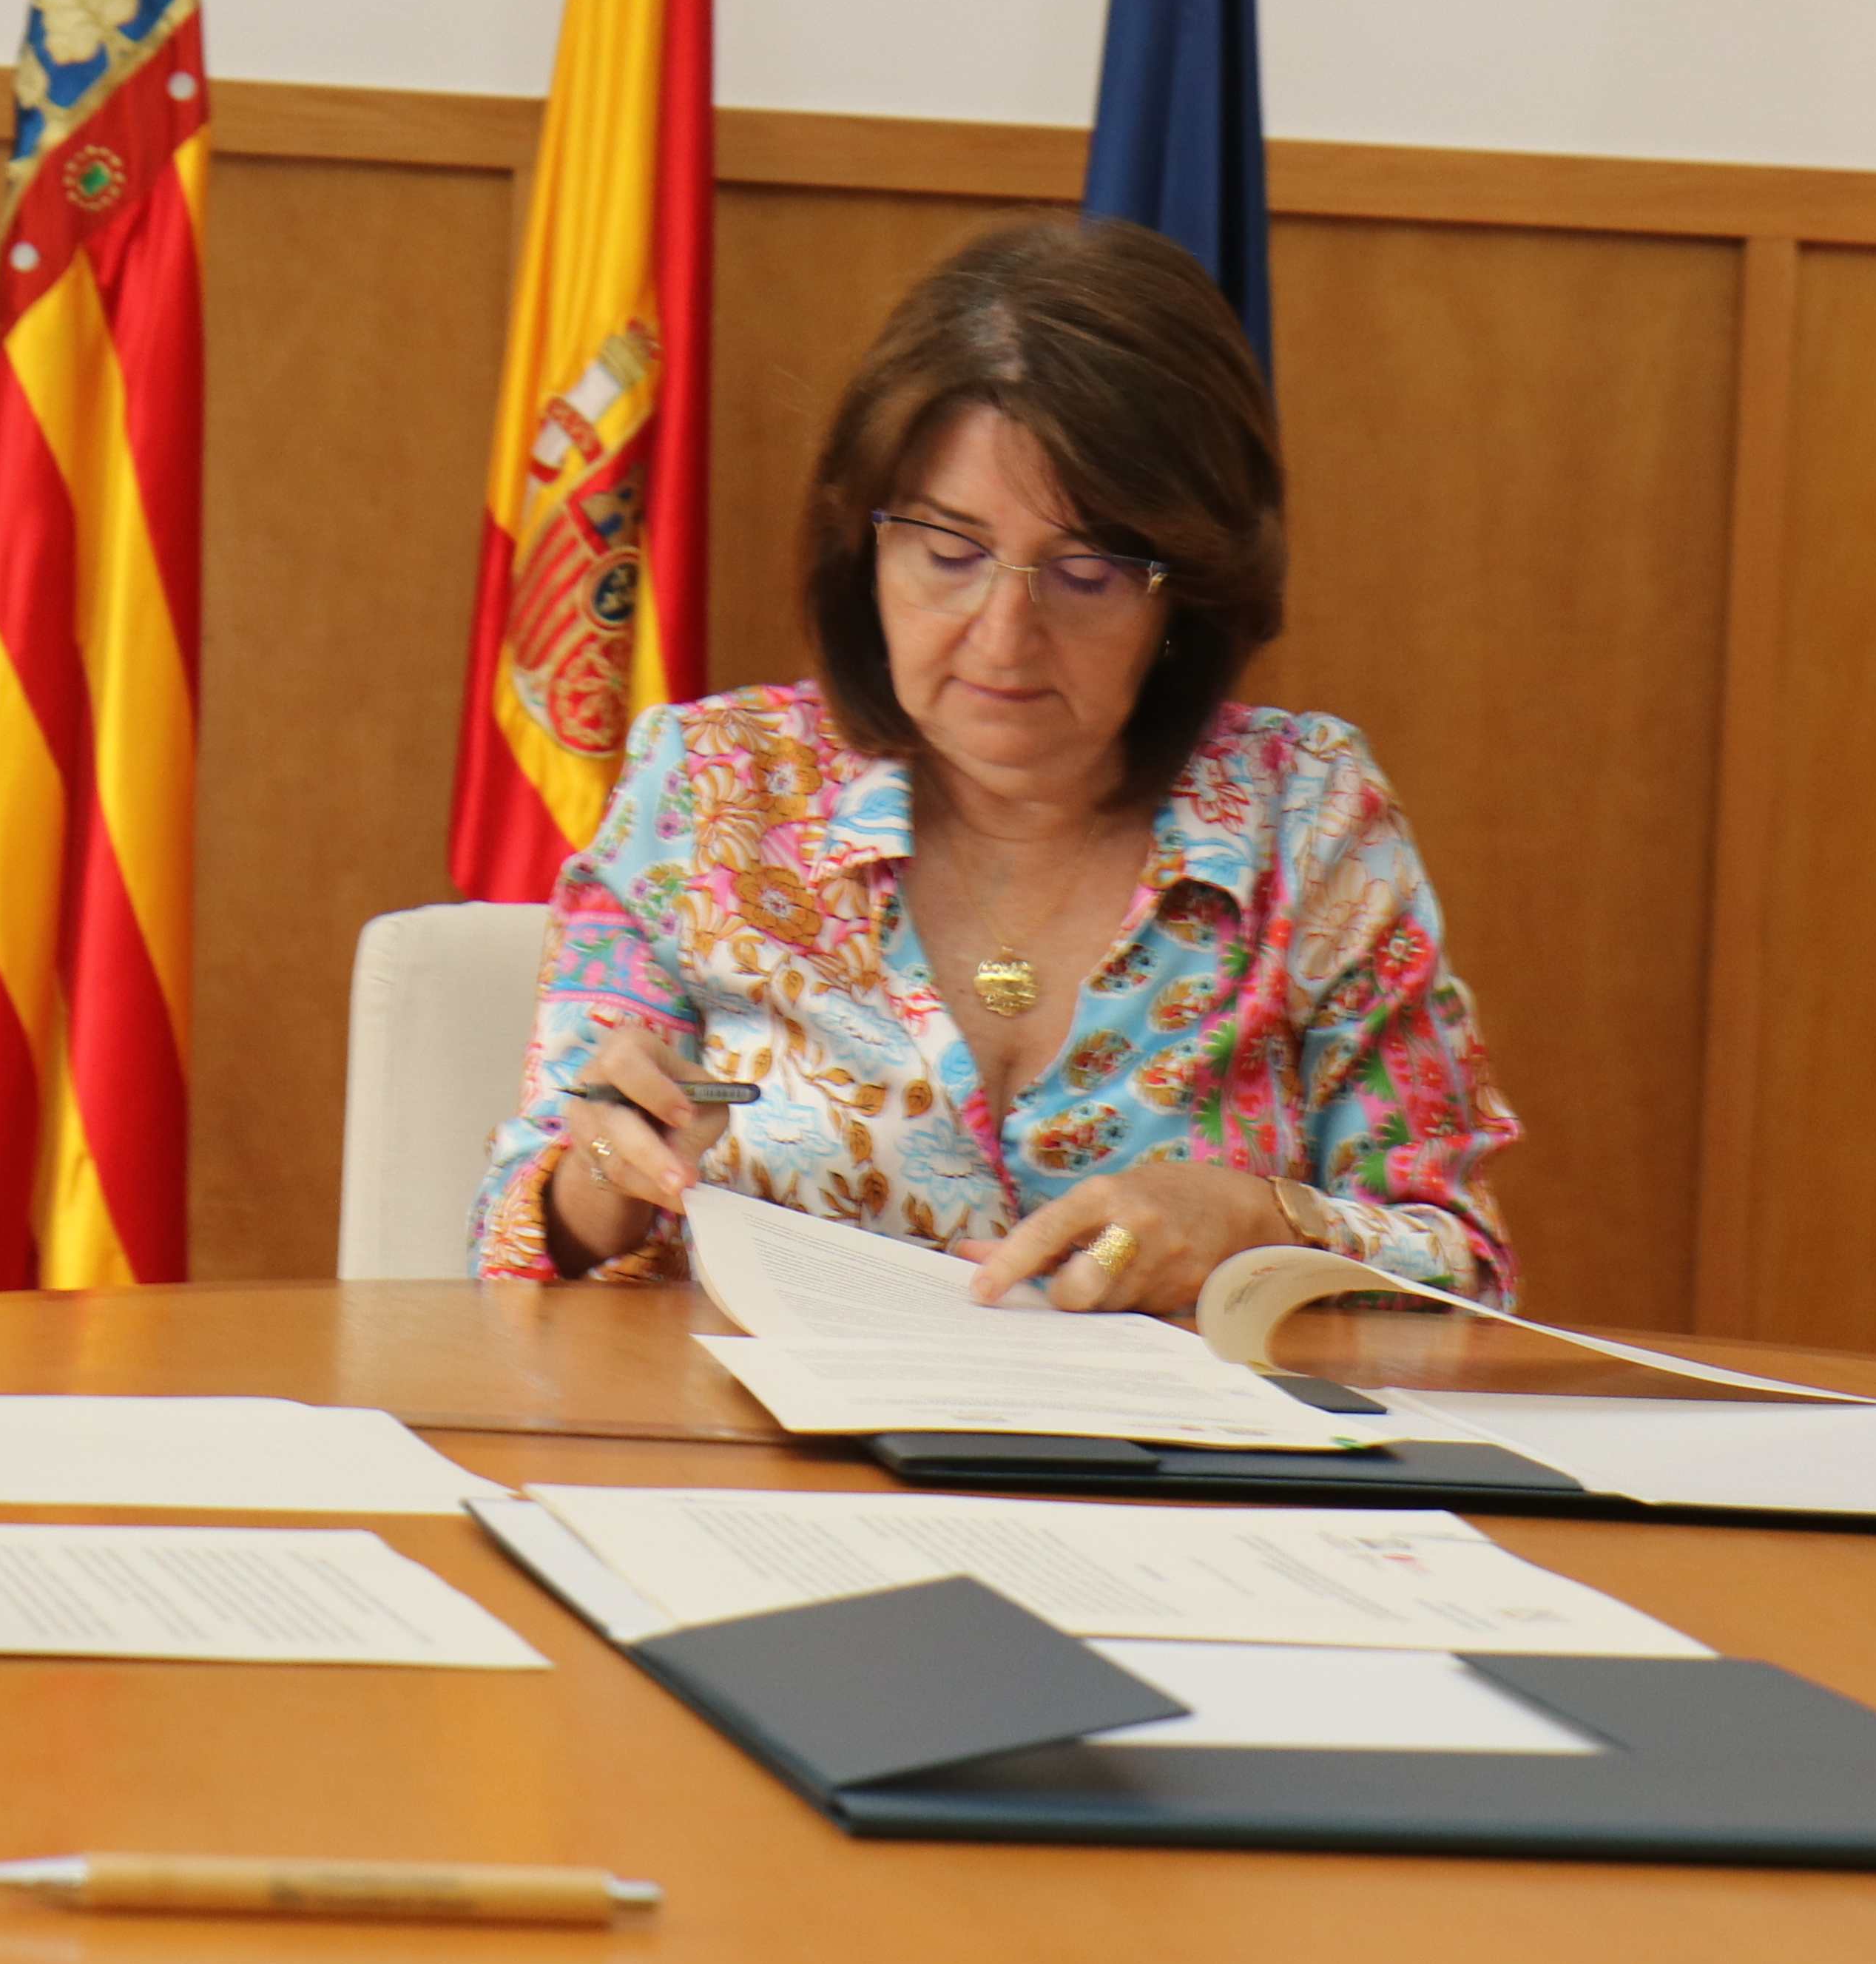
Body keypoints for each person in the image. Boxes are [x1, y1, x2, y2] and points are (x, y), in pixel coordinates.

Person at [471, 216, 1518, 1315]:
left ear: (1189, 590)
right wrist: (608, 1173)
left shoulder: (1307, 823)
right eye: (950, 553)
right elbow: (511, 1241)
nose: (1004, 635)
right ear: (863, 546)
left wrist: (1268, 1223)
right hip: (774, 1470)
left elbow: (1466, 1276)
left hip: (1183, 1479)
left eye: (1088, 573)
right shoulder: (709, 791)